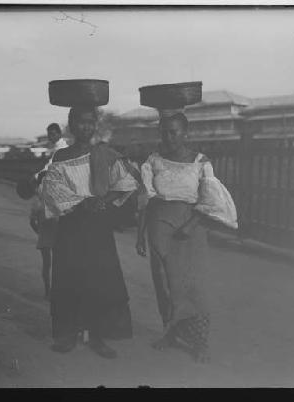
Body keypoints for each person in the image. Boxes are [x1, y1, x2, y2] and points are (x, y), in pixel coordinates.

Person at [136, 111, 237, 363]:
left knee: (194, 286)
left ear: (185, 133)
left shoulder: (200, 162)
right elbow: (146, 201)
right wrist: (140, 236)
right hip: (159, 228)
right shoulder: (153, 161)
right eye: (164, 132)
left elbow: (209, 200)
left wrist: (191, 225)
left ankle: (199, 342)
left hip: (190, 229)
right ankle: (170, 333)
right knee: (165, 284)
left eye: (174, 131)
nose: (169, 137)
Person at [41, 106, 139, 359]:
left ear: (95, 125)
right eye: (80, 122)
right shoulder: (61, 156)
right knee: (69, 277)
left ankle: (97, 336)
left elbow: (127, 182)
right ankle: (68, 335)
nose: (85, 127)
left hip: (98, 227)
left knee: (99, 280)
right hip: (71, 225)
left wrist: (104, 200)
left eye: (89, 122)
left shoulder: (104, 153)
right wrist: (81, 201)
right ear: (71, 125)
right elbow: (53, 190)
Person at [29, 171, 57, 301]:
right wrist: (39, 232)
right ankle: (48, 290)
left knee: (50, 264)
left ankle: (51, 291)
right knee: (49, 264)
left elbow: (32, 221)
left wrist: (38, 231)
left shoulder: (39, 199)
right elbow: (32, 221)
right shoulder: (40, 199)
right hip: (50, 231)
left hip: (52, 231)